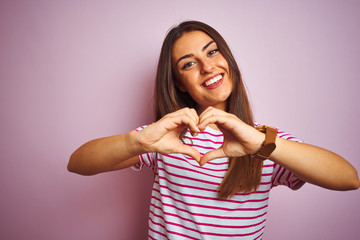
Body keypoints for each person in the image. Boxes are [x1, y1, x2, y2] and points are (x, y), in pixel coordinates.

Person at [67, 21, 360, 239]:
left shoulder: (266, 141)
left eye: (212, 52)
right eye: (189, 63)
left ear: (227, 59)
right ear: (179, 83)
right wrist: (138, 141)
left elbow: (348, 179)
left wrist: (260, 144)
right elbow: (78, 163)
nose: (208, 67)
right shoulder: (165, 137)